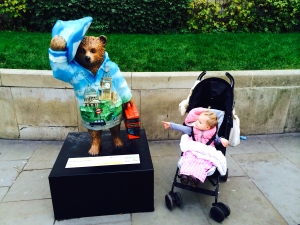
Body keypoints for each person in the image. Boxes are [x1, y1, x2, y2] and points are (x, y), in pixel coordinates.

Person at [162, 109, 228, 186]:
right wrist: (171, 125)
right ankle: (184, 176)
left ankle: (196, 178)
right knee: (188, 159)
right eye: (197, 120)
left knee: (205, 163)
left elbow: (217, 141)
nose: (196, 122)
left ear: (207, 127)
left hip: (206, 152)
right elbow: (181, 128)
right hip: (193, 149)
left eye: (200, 122)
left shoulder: (213, 134)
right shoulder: (192, 129)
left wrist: (222, 140)